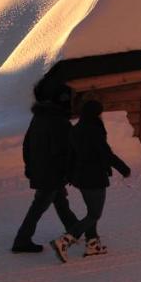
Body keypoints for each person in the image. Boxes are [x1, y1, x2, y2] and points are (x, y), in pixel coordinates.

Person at [51, 100, 130, 262]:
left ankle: (92, 244)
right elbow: (105, 153)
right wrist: (123, 168)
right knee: (94, 214)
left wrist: (70, 176)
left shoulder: (76, 129)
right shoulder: (94, 129)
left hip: (81, 178)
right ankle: (65, 240)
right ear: (96, 113)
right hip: (94, 177)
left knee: (91, 211)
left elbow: (70, 155)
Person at [11, 83, 79, 253]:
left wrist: (30, 166)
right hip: (52, 173)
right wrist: (69, 171)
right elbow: (65, 151)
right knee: (39, 206)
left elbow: (27, 145)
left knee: (60, 201)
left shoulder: (40, 117)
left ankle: (75, 229)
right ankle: (22, 240)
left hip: (41, 170)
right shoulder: (59, 121)